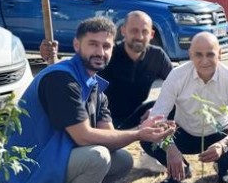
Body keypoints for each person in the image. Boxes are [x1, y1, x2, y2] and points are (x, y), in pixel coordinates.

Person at [0, 17, 174, 183]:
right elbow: (83, 137)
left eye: (106, 46)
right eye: (93, 44)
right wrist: (139, 133)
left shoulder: (96, 89)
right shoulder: (62, 79)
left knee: (121, 160)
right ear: (77, 45)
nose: (100, 51)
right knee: (97, 157)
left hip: (51, 164)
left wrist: (146, 129)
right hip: (25, 175)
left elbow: (110, 137)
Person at [140, 32, 228, 183]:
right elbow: (157, 117)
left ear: (220, 54)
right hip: (183, 133)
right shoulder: (177, 76)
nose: (204, 61)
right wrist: (170, 148)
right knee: (147, 139)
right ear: (190, 54)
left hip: (219, 133)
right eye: (198, 54)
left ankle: (222, 168)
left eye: (210, 54)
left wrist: (224, 145)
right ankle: (181, 169)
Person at [40, 11, 173, 129]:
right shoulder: (106, 54)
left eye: (144, 31)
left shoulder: (157, 56)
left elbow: (176, 85)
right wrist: (51, 57)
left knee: (170, 107)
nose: (139, 36)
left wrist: (156, 110)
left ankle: (152, 152)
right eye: (134, 31)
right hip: (100, 117)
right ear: (123, 31)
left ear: (151, 34)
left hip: (135, 117)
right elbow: (75, 70)